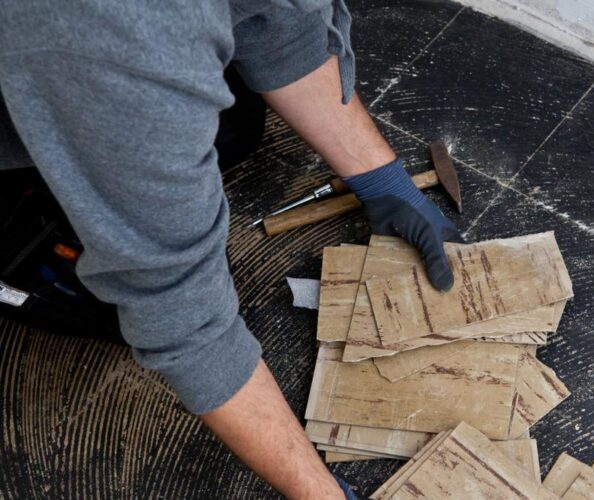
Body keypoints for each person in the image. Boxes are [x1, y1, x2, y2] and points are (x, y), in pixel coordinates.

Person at [0, 1, 463, 498]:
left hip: (109, 56)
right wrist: (322, 494)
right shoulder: (125, 37)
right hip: (78, 51)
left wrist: (382, 180)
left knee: (234, 124)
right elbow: (184, 318)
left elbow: (277, 18)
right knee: (132, 302)